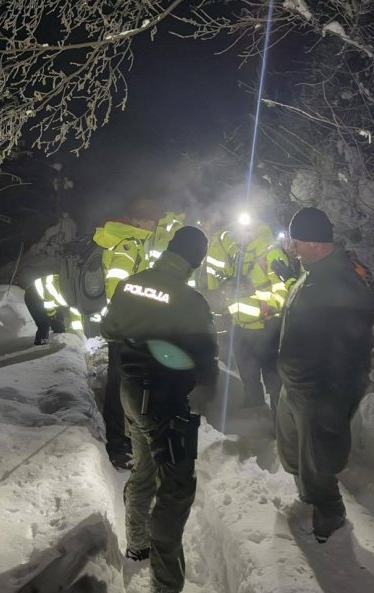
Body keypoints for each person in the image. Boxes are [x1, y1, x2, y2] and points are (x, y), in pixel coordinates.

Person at [101, 226, 217, 593]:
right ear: (195, 261)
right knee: (175, 489)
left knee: (144, 468)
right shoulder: (190, 299)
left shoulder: (132, 283)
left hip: (131, 391)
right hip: (166, 400)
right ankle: (166, 584)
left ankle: (137, 545)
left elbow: (109, 329)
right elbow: (205, 362)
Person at [275, 207, 374, 543]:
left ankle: (329, 510)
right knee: (294, 446)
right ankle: (308, 490)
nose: (294, 249)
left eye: (299, 243)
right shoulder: (315, 272)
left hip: (321, 387)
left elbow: (345, 346)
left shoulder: (339, 283)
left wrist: (324, 391)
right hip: (299, 382)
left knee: (318, 455)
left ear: (318, 244)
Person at [93, 198, 161, 469]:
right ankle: (118, 447)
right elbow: (117, 287)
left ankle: (125, 438)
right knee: (121, 385)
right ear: (136, 220)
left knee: (126, 382)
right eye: (150, 220)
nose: (155, 225)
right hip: (127, 325)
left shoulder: (131, 242)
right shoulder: (128, 245)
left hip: (128, 323)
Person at [220, 222, 291, 411]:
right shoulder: (239, 255)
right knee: (247, 373)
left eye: (243, 231)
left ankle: (280, 415)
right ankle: (254, 409)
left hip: (265, 327)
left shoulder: (270, 254)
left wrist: (267, 309)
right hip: (240, 325)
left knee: (272, 376)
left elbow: (284, 290)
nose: (238, 236)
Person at [24, 272, 84, 345]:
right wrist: (52, 316)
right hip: (33, 294)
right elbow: (48, 303)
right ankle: (40, 344)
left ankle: (59, 341)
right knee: (44, 323)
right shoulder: (68, 289)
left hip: (49, 297)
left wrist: (80, 335)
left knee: (59, 320)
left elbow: (76, 317)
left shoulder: (77, 297)